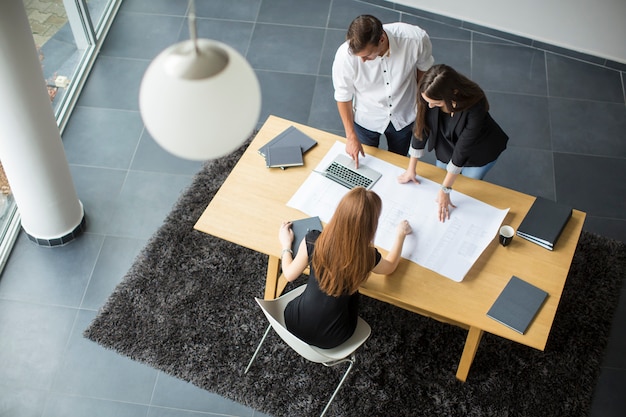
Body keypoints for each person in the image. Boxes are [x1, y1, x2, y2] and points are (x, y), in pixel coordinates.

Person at [277, 187, 412, 349]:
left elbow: (289, 274)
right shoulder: (367, 256)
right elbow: (390, 267)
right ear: (371, 226)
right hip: (333, 338)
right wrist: (400, 236)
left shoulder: (314, 240)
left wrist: (286, 245)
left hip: (294, 322)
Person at [397, 64, 509, 222]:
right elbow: (421, 128)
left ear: (453, 94)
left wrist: (446, 189)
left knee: (465, 188)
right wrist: (411, 168)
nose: (429, 106)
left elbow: (463, 148)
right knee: (441, 177)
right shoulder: (430, 95)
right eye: (427, 101)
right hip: (447, 144)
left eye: (436, 103)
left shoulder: (475, 105)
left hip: (479, 151)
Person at [332, 15, 434, 168]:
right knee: (365, 163)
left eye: (367, 56)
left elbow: (424, 73)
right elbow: (343, 96)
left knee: (396, 163)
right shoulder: (344, 57)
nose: (363, 61)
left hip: (404, 115)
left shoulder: (415, 39)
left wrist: (421, 109)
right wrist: (351, 136)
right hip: (366, 117)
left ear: (381, 39)